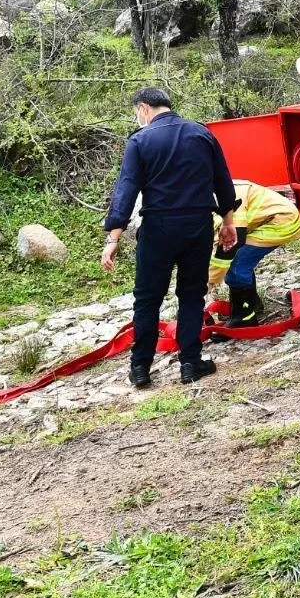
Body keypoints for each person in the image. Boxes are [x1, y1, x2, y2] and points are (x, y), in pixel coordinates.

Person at [101, 87, 239, 389]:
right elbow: (223, 181)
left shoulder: (140, 141)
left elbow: (126, 190)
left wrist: (113, 238)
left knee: (147, 299)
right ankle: (191, 363)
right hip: (197, 225)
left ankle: (140, 368)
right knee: (191, 294)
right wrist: (228, 223)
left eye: (136, 111)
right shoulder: (201, 134)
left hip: (158, 228)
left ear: (143, 108)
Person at [210, 180, 300, 326]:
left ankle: (244, 317)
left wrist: (208, 283)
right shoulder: (210, 194)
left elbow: (231, 244)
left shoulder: (224, 197)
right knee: (239, 259)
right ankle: (252, 303)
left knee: (236, 262)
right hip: (268, 220)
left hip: (280, 223)